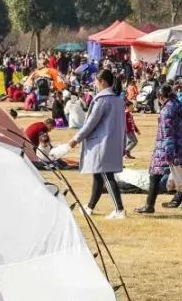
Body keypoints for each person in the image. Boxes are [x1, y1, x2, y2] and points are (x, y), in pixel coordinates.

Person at [54, 69, 127, 220]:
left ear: (102, 82)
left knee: (107, 175)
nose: (95, 84)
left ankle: (119, 209)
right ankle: (91, 206)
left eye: (96, 81)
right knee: (99, 175)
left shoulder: (102, 100)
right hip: (114, 141)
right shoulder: (118, 100)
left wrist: (74, 141)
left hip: (102, 143)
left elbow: (90, 124)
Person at [136, 85, 182, 216]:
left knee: (155, 175)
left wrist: (169, 154)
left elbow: (167, 133)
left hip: (168, 148)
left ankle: (149, 205)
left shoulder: (166, 111)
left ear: (160, 97)